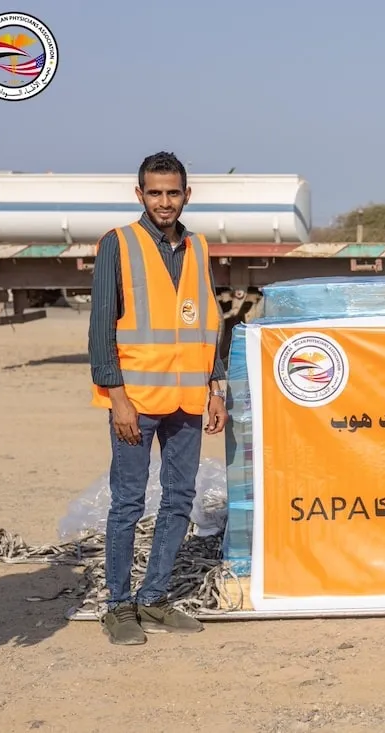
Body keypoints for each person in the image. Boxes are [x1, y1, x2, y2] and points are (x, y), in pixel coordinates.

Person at [88, 151, 229, 645]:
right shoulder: (118, 243)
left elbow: (209, 320)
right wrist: (117, 397)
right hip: (136, 399)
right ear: (140, 194)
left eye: (172, 193)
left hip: (188, 398)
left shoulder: (198, 246)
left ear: (187, 195)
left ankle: (154, 599)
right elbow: (101, 326)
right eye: (154, 193)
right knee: (128, 502)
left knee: (179, 498)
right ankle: (118, 606)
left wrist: (215, 387)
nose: (164, 202)